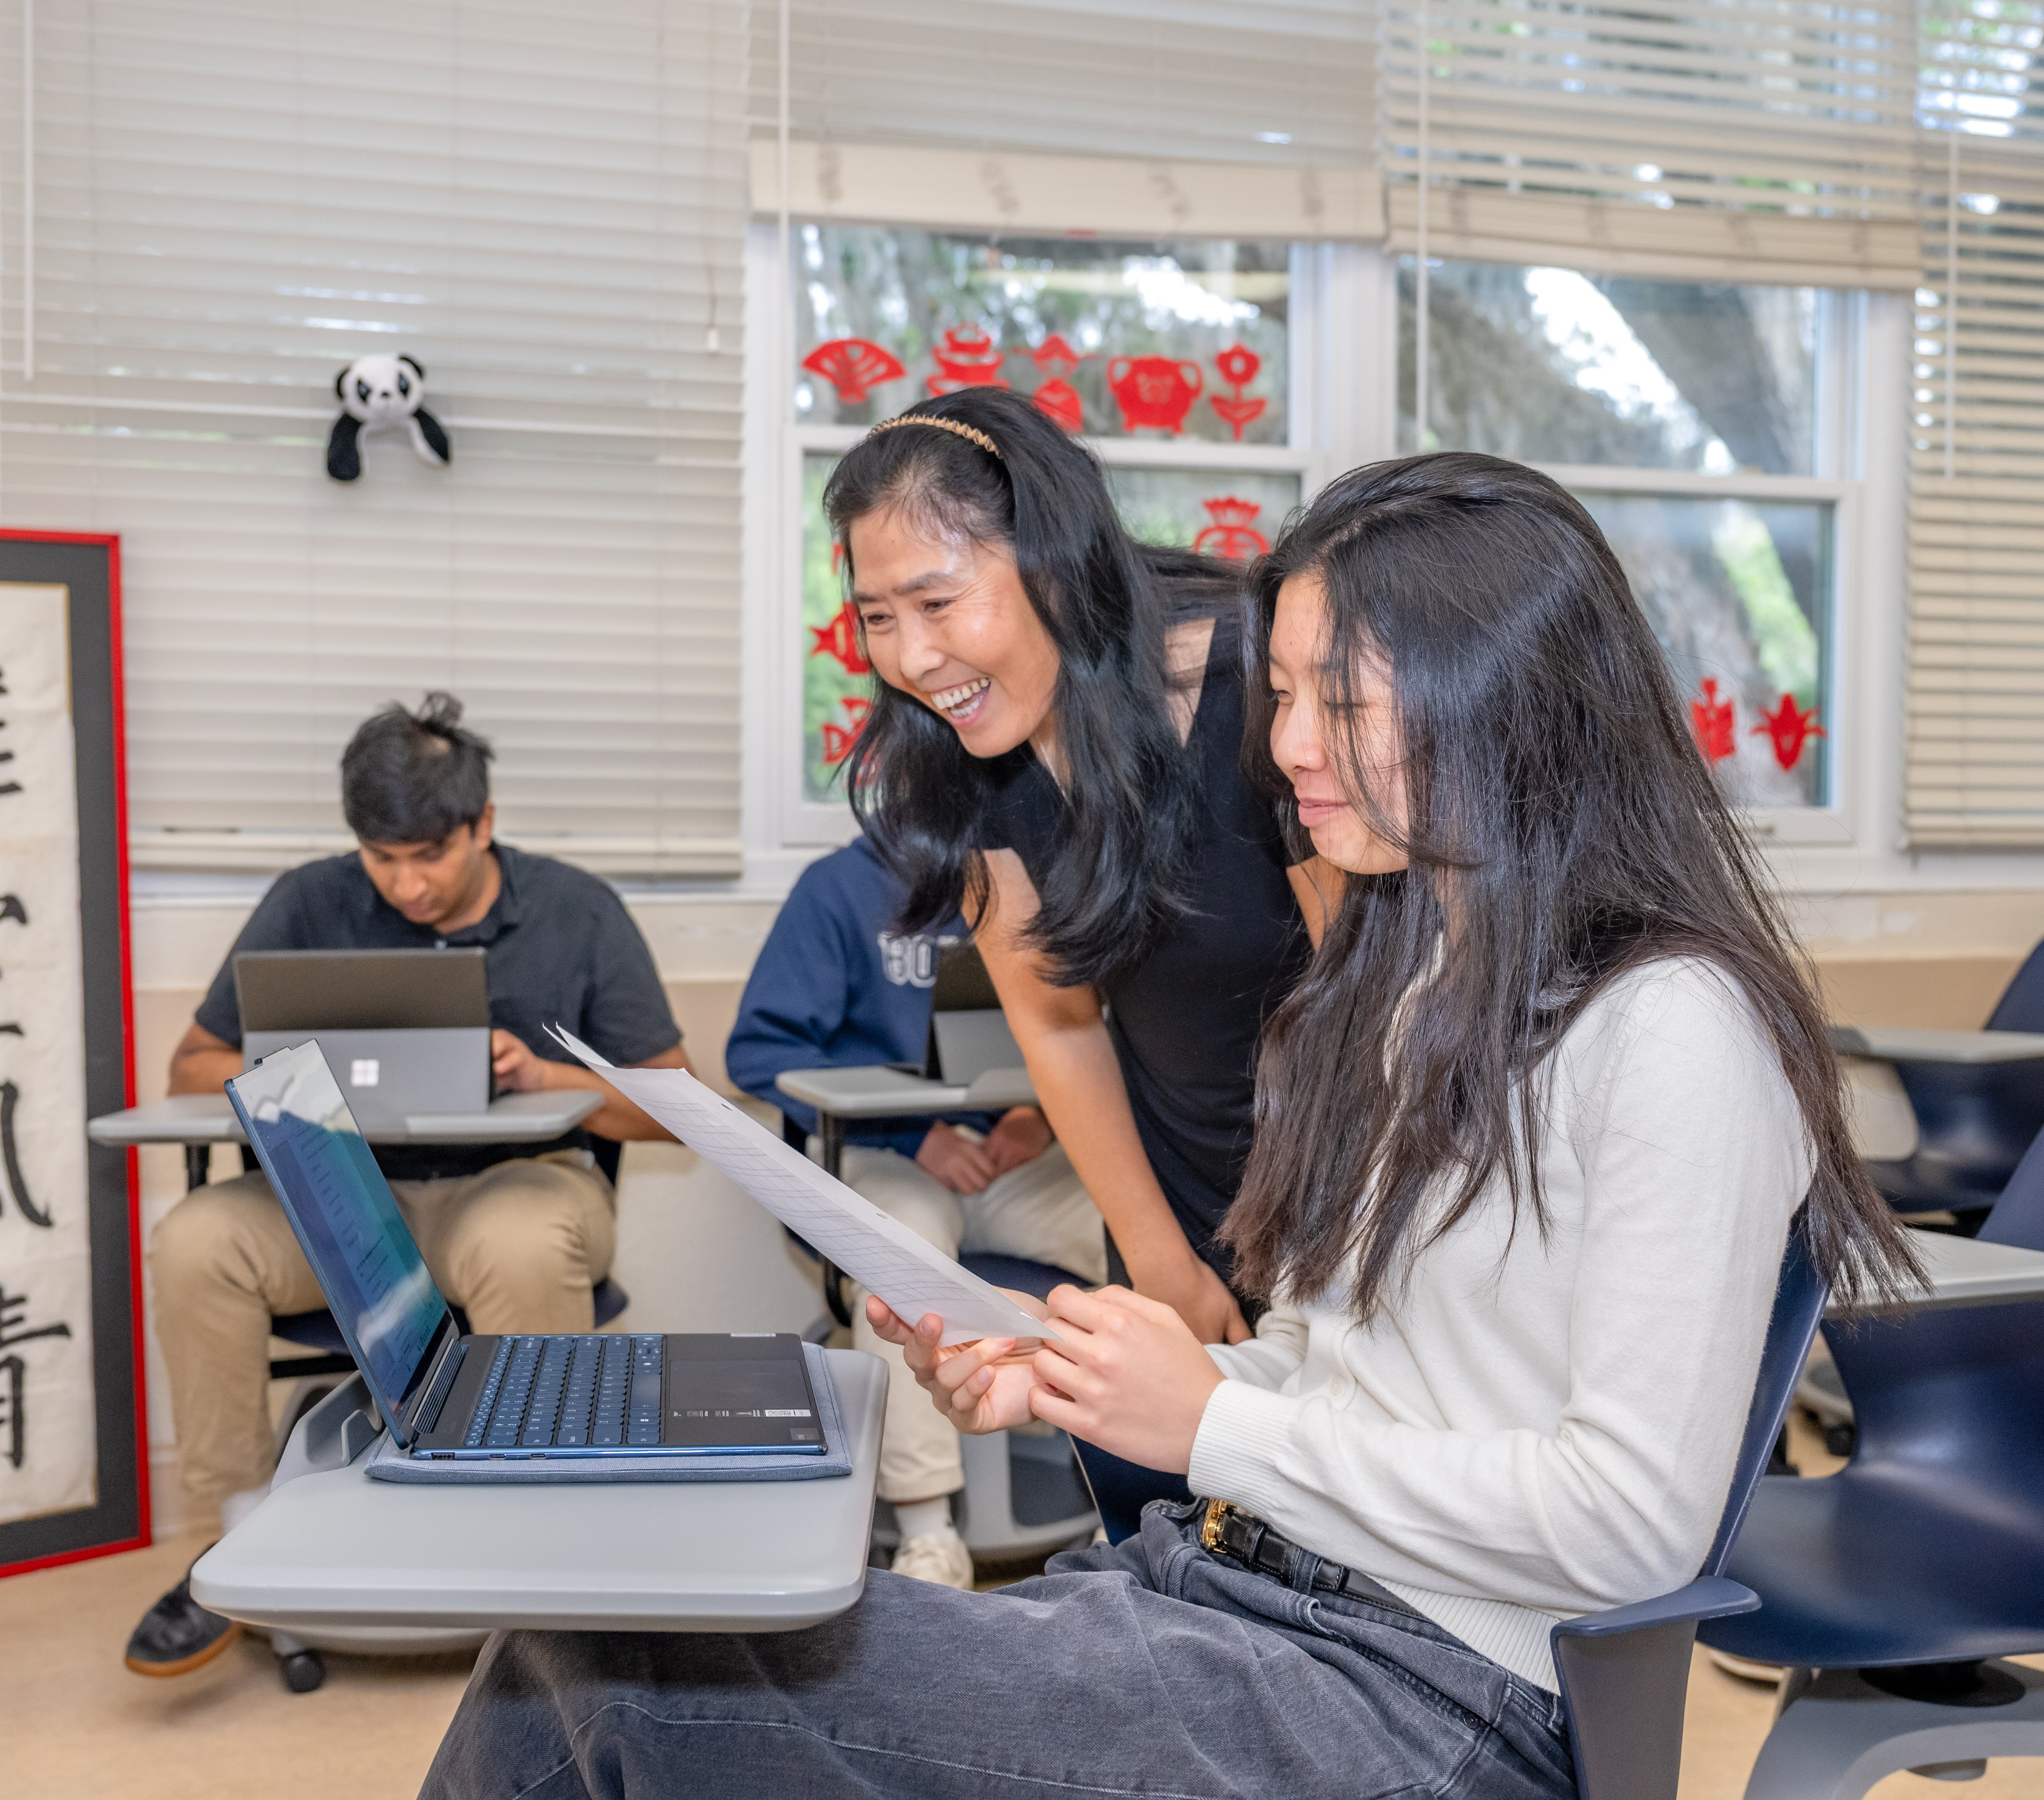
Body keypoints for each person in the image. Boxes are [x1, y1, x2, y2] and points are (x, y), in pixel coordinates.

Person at [418, 454, 1920, 1800]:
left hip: (1426, 1692)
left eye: (1338, 701)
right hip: (1245, 1590)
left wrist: (1209, 1422)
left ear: (1503, 702)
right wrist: (1084, 1374)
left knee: (602, 1663)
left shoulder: (1674, 1030)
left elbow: (1633, 1526)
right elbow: (1338, 1375)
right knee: (604, 1632)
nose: (1286, 746)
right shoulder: (1416, 984)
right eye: (1285, 694)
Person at [127, 693, 690, 1677]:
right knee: (193, 1239)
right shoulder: (308, 901)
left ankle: (540, 1554)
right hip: (344, 1198)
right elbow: (193, 1064)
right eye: (382, 859)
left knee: (518, 1240)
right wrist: (298, 1071)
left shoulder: (577, 910)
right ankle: (240, 1537)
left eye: (429, 855)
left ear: (483, 822)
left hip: (515, 1184)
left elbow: (674, 1103)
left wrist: (539, 1073)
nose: (406, 884)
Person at [837, 388, 1332, 1348]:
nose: (913, 657)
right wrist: (1157, 1258)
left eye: (936, 603)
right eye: (878, 617)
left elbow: (1365, 1000)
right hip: (1176, 1194)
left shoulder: (1257, 685)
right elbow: (1054, 1021)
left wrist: (1332, 1248)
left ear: (1054, 562)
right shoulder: (967, 747)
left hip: (1345, 1184)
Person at [727, 836, 1105, 1588]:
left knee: (1130, 1232)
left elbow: (1080, 1027)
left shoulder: (1031, 878)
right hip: (884, 1154)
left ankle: (1133, 1495)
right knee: (898, 1246)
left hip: (1006, 1153)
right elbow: (758, 1053)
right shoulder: (836, 888)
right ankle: (929, 1533)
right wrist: (915, 1134)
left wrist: (1038, 1113)